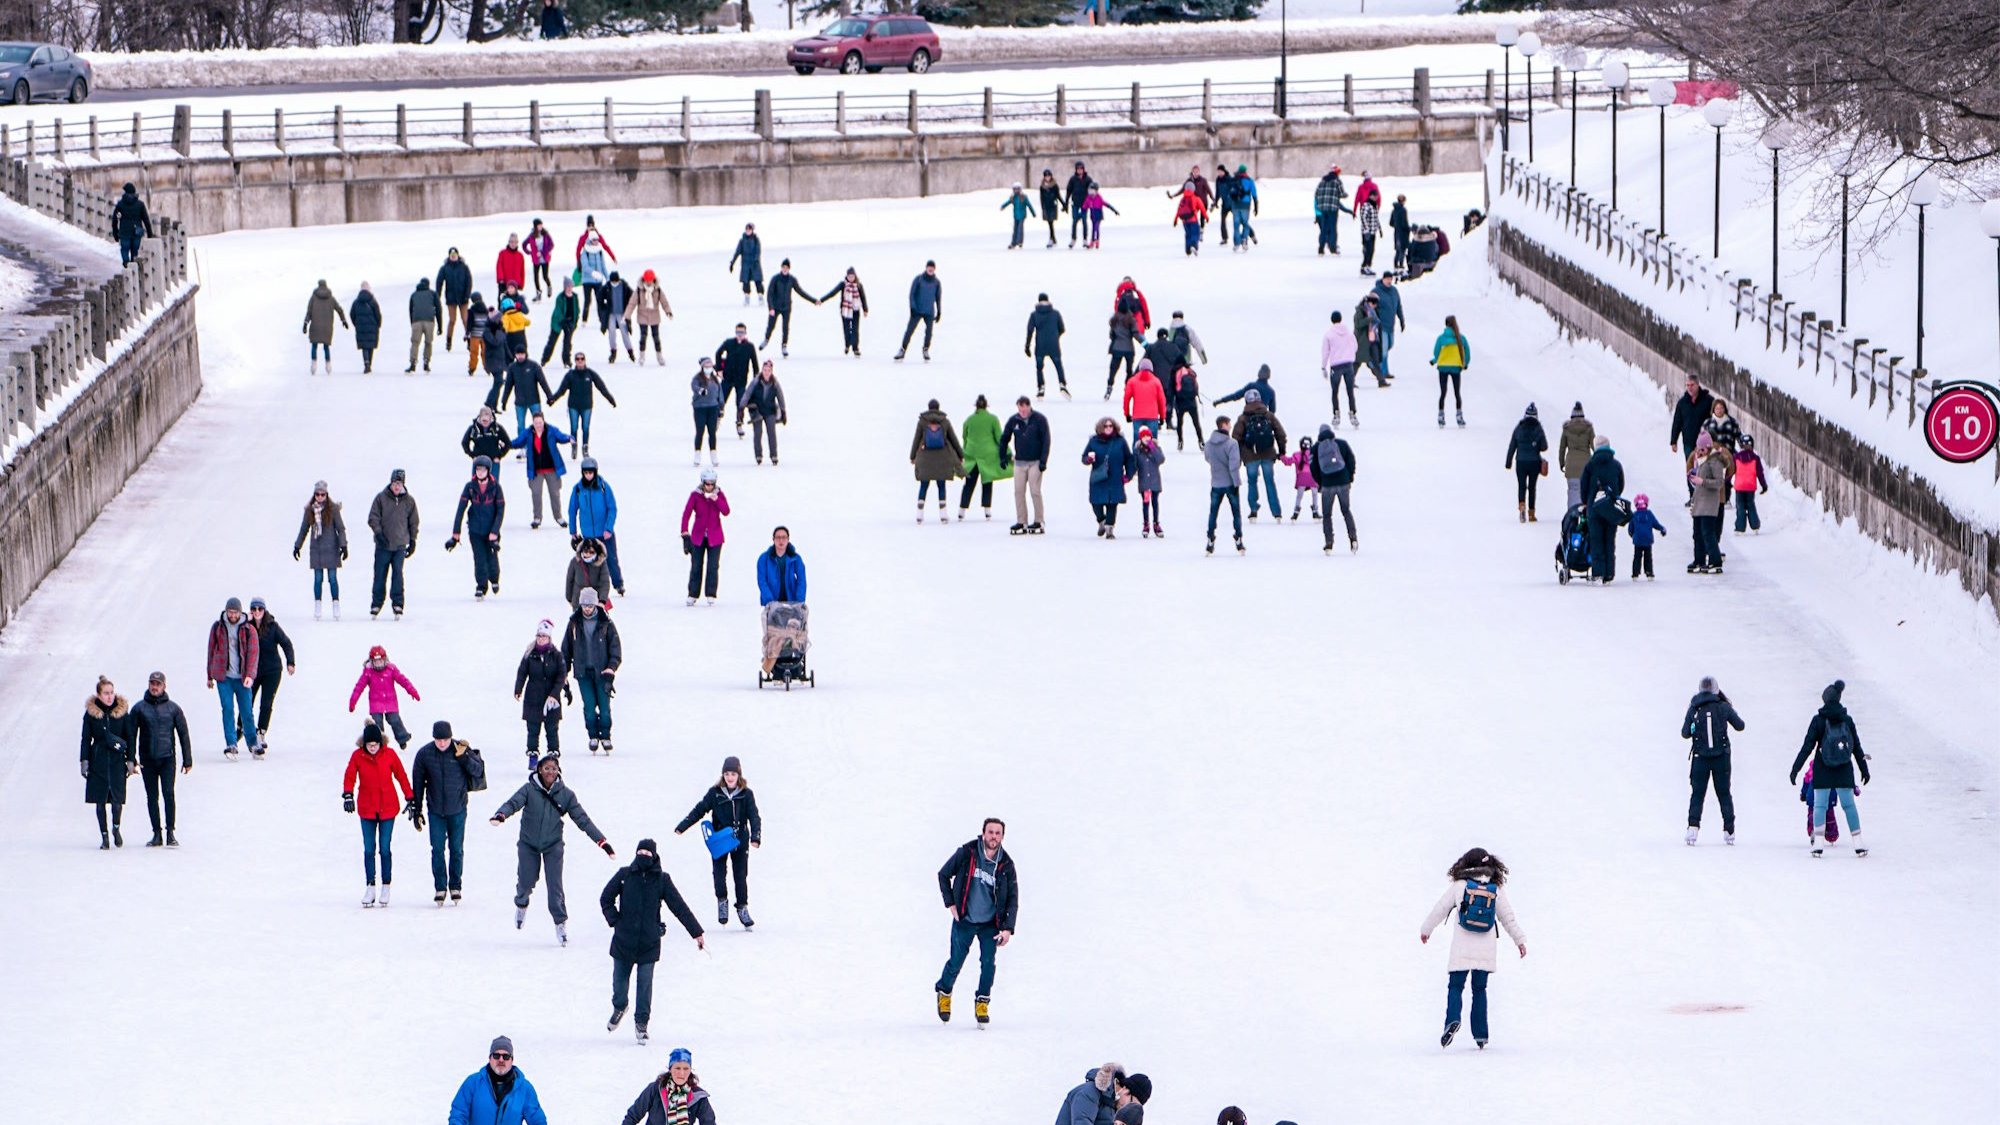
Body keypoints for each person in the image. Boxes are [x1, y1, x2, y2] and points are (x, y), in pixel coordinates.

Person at [492, 755, 614, 943]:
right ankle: (521, 904)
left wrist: (602, 842)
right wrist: (501, 815)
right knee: (526, 881)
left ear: (558, 771)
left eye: (554, 769)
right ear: (539, 769)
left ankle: (560, 923)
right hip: (528, 844)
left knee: (555, 886)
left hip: (553, 845)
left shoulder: (566, 795)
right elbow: (513, 803)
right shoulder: (529, 789)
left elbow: (582, 819)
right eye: (547, 768)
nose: (550, 772)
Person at [1418, 847, 1527, 1050]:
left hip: (1461, 948)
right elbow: (1508, 918)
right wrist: (1520, 940)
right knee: (1479, 990)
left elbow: (1439, 909)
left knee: (1455, 987)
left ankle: (1452, 1019)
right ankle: (1481, 1036)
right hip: (1485, 950)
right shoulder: (1495, 888)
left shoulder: (1459, 885)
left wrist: (1426, 930)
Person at [600, 839, 704, 1044]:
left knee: (645, 985)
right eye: (640, 852)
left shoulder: (662, 880)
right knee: (619, 985)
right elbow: (606, 898)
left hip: (649, 943)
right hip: (623, 941)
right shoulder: (624, 875)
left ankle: (641, 1023)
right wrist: (615, 921)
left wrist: (696, 932)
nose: (644, 856)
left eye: (648, 853)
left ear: (655, 856)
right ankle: (620, 1007)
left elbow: (679, 907)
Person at [934, 818, 1017, 1026]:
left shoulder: (1006, 864)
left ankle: (982, 1002)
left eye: (998, 833)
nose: (994, 837)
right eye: (990, 832)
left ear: (1002, 837)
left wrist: (1007, 928)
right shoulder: (967, 853)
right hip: (965, 920)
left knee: (988, 965)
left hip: (990, 924)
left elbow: (1012, 899)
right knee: (956, 961)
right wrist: (950, 903)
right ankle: (944, 991)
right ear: (983, 833)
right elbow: (943, 874)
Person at [674, 755, 763, 927]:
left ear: (739, 776)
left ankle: (742, 907)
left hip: (739, 839)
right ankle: (722, 901)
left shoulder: (746, 794)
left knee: (740, 875)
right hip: (720, 840)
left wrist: (755, 836)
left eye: (733, 774)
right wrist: (683, 826)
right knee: (719, 874)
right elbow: (700, 810)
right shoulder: (715, 793)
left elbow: (754, 816)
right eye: (727, 774)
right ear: (723, 775)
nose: (730, 777)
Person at [1791, 680, 1870, 857]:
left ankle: (1818, 844)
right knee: (1849, 805)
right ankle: (1858, 843)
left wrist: (1795, 769)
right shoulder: (1847, 720)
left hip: (1823, 768)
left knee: (1820, 805)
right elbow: (1856, 746)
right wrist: (1864, 769)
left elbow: (1807, 746)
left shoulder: (1818, 720)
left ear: (1825, 700)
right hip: (1844, 768)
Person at [410, 720, 483, 906]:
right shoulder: (424, 754)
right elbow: (418, 783)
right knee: (437, 850)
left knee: (457, 849)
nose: (442, 743)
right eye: (438, 739)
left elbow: (478, 771)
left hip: (458, 809)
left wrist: (464, 757)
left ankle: (455, 886)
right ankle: (440, 887)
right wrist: (417, 810)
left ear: (451, 737)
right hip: (435, 810)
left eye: (445, 739)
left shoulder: (460, 749)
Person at [343, 722, 414, 907]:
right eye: (369, 745)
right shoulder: (358, 756)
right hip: (367, 809)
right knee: (368, 849)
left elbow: (401, 775)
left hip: (388, 808)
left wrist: (410, 797)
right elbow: (350, 775)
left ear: (381, 743)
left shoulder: (389, 754)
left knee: (384, 848)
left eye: (375, 744)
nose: (373, 748)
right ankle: (370, 886)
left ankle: (386, 885)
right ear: (364, 744)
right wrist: (348, 794)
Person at [130, 671, 191, 848]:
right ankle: (156, 833)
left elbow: (183, 734)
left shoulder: (173, 708)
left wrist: (188, 760)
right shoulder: (139, 708)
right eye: (152, 683)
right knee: (152, 797)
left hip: (167, 758)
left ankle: (170, 832)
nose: (154, 687)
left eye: (158, 684)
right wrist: (131, 758)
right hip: (147, 760)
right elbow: (131, 734)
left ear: (164, 686)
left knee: (168, 794)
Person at [1681, 676, 1744, 846]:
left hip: (1700, 758)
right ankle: (1729, 830)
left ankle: (1692, 828)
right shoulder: (1723, 707)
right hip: (1721, 758)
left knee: (1697, 793)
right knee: (1724, 793)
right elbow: (1740, 725)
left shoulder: (1694, 708)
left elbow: (1685, 733)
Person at [80, 675, 137, 850]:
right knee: (100, 800)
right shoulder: (91, 715)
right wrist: (84, 760)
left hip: (116, 760)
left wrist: (130, 759)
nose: (109, 696)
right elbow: (85, 739)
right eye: (106, 693)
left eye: (111, 693)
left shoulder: (121, 713)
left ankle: (116, 827)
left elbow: (130, 737)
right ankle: (104, 835)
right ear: (98, 695)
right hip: (99, 759)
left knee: (117, 800)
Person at [563, 588, 621, 755]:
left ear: (595, 604)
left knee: (604, 707)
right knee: (589, 707)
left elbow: (615, 648)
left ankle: (606, 735)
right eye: (584, 605)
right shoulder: (574, 623)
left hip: (603, 673)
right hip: (583, 673)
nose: (587, 608)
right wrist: (564, 672)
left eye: (590, 605)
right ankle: (593, 735)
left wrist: (611, 667)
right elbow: (566, 650)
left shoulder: (606, 623)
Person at [448, 1036, 547, 1125]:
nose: (501, 1060)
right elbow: (458, 1114)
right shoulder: (473, 1083)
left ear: (512, 1060)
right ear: (490, 1058)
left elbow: (538, 1120)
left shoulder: (525, 1089)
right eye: (496, 1055)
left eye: (506, 1056)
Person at [205, 597, 259, 759]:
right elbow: (211, 651)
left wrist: (250, 674)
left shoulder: (249, 629)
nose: (233, 615)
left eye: (235, 612)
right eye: (230, 612)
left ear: (240, 612)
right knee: (227, 709)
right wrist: (209, 676)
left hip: (242, 678)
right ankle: (231, 743)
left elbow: (253, 655)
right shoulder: (218, 627)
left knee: (246, 712)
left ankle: (253, 743)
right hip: (224, 677)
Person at [449, 455, 506, 600]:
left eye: (483, 469)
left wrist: (494, 531)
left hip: (491, 530)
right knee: (479, 558)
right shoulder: (470, 487)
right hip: (475, 530)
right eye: (478, 469)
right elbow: (460, 509)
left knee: (491, 557)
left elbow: (500, 510)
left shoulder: (495, 488)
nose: (480, 472)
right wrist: (456, 533)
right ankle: (481, 586)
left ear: (488, 471)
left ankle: (494, 579)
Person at [515, 620, 570, 766]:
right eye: (539, 635)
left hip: (552, 698)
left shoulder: (556, 655)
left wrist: (555, 693)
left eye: (544, 636)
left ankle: (553, 756)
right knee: (533, 728)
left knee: (552, 728)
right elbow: (522, 672)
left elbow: (561, 675)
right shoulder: (530, 654)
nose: (540, 638)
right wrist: (518, 689)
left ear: (549, 638)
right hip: (533, 697)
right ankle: (533, 756)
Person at [509, 406, 572, 532]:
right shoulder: (528, 433)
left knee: (555, 493)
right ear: (533, 422)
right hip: (536, 470)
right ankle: (537, 518)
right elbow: (518, 442)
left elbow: (561, 436)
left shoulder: (551, 430)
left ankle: (558, 517)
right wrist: (507, 444)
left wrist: (569, 438)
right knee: (536, 494)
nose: (538, 425)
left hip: (551, 469)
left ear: (543, 421)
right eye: (536, 423)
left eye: (540, 422)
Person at [566, 456, 622, 594]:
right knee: (588, 562)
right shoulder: (578, 489)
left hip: (604, 533)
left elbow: (612, 508)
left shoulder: (603, 487)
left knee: (611, 560)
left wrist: (608, 528)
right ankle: (591, 587)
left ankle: (618, 583)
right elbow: (572, 509)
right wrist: (573, 530)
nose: (588, 475)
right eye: (586, 473)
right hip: (588, 534)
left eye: (591, 472)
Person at [348, 643, 420, 749]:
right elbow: (359, 687)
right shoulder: (368, 672)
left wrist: (412, 691)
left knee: (395, 720)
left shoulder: (391, 669)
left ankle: (402, 739)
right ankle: (379, 743)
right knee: (377, 724)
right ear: (371, 661)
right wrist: (353, 702)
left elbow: (403, 680)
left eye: (380, 661)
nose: (378, 664)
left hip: (390, 703)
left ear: (385, 659)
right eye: (376, 662)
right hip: (376, 704)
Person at [246, 597, 295, 755]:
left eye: (260, 609)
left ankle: (261, 732)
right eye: (254, 609)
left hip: (272, 671)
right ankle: (243, 729)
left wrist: (290, 662)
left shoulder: (272, 626)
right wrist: (245, 620)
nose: (257, 612)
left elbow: (286, 643)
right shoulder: (246, 627)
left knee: (266, 703)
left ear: (264, 610)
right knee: (247, 701)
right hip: (252, 671)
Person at [294, 480, 348, 619]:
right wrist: (297, 545)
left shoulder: (334, 509)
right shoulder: (310, 510)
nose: (320, 497)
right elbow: (304, 529)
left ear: (326, 494)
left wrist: (343, 545)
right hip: (317, 550)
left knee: (332, 578)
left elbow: (340, 528)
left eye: (322, 494)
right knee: (318, 579)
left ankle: (336, 605)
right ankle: (317, 605)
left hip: (331, 548)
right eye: (317, 494)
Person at [1231, 389, 1287, 522]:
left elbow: (1235, 438)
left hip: (1250, 456)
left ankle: (1253, 510)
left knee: (1252, 482)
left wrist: (1238, 456)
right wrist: (1282, 451)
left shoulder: (1243, 418)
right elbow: (1281, 434)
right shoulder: (1268, 415)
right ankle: (1276, 512)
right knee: (1270, 482)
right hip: (1268, 453)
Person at [620, 1048, 713, 1125]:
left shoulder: (697, 1096)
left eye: (686, 1068)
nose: (682, 1073)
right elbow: (633, 1116)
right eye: (677, 1068)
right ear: (670, 1069)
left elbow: (709, 1122)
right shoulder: (655, 1089)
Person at [549, 352, 617, 456]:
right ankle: (574, 446)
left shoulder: (590, 374)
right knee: (574, 428)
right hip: (573, 406)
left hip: (587, 406)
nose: (580, 361)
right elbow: (562, 390)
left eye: (582, 359)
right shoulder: (570, 375)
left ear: (585, 360)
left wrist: (610, 399)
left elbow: (601, 387)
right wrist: (553, 399)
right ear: (575, 361)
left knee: (585, 428)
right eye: (577, 359)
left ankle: (585, 447)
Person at [1001, 396, 1051, 534]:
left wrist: (1043, 461)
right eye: (1020, 408)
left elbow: (1046, 440)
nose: (1022, 411)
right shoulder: (1014, 420)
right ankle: (1022, 521)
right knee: (1018, 492)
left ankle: (1038, 520)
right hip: (1019, 462)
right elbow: (1004, 438)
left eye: (1025, 408)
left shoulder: (1039, 419)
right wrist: (1002, 456)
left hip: (1035, 462)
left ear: (1029, 407)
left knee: (1035, 491)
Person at [1579, 435, 1626, 583]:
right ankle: (1609, 574)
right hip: (1611, 509)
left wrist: (1586, 501)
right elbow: (1621, 484)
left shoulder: (1590, 465)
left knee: (1596, 540)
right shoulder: (1616, 465)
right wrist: (1614, 496)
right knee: (1609, 541)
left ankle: (1598, 573)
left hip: (1594, 509)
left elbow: (1583, 485)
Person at [681, 467, 730, 605]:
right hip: (698, 536)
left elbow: (726, 511)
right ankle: (693, 593)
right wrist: (685, 533)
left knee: (713, 566)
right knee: (696, 565)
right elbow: (687, 513)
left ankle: (711, 593)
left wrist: (716, 500)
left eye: (712, 484)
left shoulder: (719, 494)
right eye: (707, 484)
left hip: (715, 537)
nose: (709, 487)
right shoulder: (695, 495)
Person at [911, 399, 964, 524]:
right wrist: (960, 455)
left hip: (925, 458)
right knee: (941, 484)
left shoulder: (922, 422)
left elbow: (916, 439)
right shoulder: (944, 422)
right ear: (938, 408)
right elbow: (953, 439)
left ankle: (919, 514)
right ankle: (943, 514)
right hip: (942, 457)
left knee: (924, 485)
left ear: (928, 408)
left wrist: (913, 456)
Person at [958, 394, 1011, 522]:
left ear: (976, 406)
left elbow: (964, 437)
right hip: (988, 455)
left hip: (972, 455)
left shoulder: (969, 420)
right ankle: (987, 510)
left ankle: (962, 510)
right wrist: (1008, 453)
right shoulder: (993, 419)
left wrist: (964, 452)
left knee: (969, 483)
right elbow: (999, 438)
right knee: (987, 481)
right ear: (986, 405)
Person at [1081, 417, 1134, 538]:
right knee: (1096, 503)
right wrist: (1089, 459)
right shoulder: (1093, 441)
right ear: (1101, 428)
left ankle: (1109, 529)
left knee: (1112, 503)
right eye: (1106, 426)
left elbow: (1129, 459)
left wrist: (1128, 475)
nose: (1109, 428)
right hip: (1098, 478)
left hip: (1115, 477)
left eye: (1111, 426)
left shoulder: (1120, 441)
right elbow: (1084, 457)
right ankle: (1101, 520)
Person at [1310, 424, 1359, 553]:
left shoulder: (1315, 448)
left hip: (1327, 485)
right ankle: (1353, 539)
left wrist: (1320, 483)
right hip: (1343, 483)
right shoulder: (1342, 444)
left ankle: (1329, 543)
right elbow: (1351, 461)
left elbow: (1313, 469)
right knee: (1346, 511)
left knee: (1327, 515)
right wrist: (1349, 477)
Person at [1688, 437, 1730, 574]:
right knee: (1697, 534)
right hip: (1700, 504)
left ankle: (1715, 561)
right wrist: (1693, 500)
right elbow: (1699, 487)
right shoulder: (1702, 461)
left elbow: (1719, 483)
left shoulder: (1714, 461)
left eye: (1702, 449)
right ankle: (1699, 560)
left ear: (1708, 448)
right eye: (1698, 449)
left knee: (1708, 533)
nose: (1699, 452)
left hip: (1709, 504)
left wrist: (1702, 481)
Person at [1205, 415, 1245, 555]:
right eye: (1229, 424)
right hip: (1230, 483)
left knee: (1213, 513)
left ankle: (1210, 538)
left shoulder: (1209, 443)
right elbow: (1234, 465)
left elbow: (1208, 458)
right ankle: (1238, 538)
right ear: (1223, 425)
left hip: (1216, 483)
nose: (1230, 426)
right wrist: (1236, 482)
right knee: (1236, 513)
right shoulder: (1231, 444)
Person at [760, 259, 815, 356]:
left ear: (789, 269)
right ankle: (766, 339)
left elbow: (800, 292)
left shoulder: (792, 279)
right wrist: (771, 308)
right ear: (781, 268)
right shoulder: (775, 279)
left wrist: (813, 300)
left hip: (786, 307)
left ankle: (784, 346)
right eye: (783, 267)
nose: (785, 269)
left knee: (785, 327)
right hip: (775, 307)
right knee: (771, 325)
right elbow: (770, 294)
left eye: (787, 268)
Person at [714, 323, 759, 438]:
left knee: (740, 403)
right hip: (728, 378)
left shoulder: (749, 346)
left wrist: (756, 380)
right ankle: (716, 420)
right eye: (738, 332)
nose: (740, 335)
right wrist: (719, 369)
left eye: (742, 333)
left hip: (741, 380)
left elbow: (755, 364)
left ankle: (739, 423)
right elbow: (718, 353)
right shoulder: (729, 343)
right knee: (720, 399)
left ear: (745, 333)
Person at [1504, 403, 1547, 523]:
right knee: (1532, 487)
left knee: (1522, 486)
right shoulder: (1538, 428)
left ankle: (1522, 506)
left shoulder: (1519, 428)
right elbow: (1544, 447)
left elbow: (1512, 446)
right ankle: (1531, 514)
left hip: (1521, 462)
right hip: (1534, 462)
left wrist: (1508, 462)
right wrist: (1536, 445)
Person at [896, 260, 944, 362]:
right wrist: (912, 307)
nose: (930, 269)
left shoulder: (937, 283)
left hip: (929, 312)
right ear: (926, 268)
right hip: (917, 310)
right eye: (929, 267)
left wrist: (939, 311)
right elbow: (912, 294)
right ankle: (902, 350)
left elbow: (938, 297)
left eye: (932, 267)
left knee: (929, 333)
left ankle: (926, 349)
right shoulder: (918, 279)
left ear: (934, 269)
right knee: (909, 331)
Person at [744, 360, 787, 466]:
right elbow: (747, 394)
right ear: (762, 370)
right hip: (757, 410)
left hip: (770, 410)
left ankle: (774, 455)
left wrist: (783, 411)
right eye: (765, 370)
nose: (766, 372)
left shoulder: (775, 383)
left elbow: (780, 397)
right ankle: (758, 455)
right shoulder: (756, 381)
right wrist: (741, 408)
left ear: (771, 371)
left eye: (769, 370)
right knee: (757, 433)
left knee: (772, 433)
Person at [1025, 293, 1067, 398]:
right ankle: (1062, 385)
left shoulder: (1034, 314)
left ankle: (1041, 387)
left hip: (1040, 344)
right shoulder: (1056, 313)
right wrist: (1055, 336)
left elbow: (1030, 330)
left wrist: (1027, 346)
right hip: (1053, 344)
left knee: (1039, 367)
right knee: (1058, 365)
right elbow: (1062, 328)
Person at [1430, 314, 1470, 428]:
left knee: (1443, 393)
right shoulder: (1461, 338)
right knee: (1457, 393)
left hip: (1443, 367)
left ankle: (1441, 416)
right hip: (1456, 368)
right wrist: (1465, 363)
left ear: (1445, 324)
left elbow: (1436, 352)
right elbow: (1467, 353)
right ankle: (1459, 416)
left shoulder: (1441, 338)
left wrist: (1435, 360)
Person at [303, 279, 349, 376]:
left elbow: (309, 311)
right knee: (326, 346)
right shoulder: (331, 298)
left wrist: (305, 323)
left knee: (314, 346)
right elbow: (339, 309)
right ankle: (328, 366)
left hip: (315, 325)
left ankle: (313, 366)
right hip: (327, 327)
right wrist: (343, 320)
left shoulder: (314, 297)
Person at [1321, 311, 1359, 428]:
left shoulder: (1328, 334)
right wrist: (1349, 354)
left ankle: (1336, 414)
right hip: (1348, 364)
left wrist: (1323, 367)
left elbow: (1325, 352)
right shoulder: (1348, 333)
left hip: (1336, 365)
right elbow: (1355, 346)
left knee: (1335, 391)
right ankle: (1353, 413)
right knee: (1350, 392)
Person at [820, 266, 869, 356]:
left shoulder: (858, 285)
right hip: (845, 310)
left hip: (855, 309)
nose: (851, 278)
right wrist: (822, 300)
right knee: (847, 329)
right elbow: (832, 293)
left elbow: (863, 297)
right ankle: (847, 345)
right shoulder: (843, 284)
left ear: (855, 276)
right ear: (846, 276)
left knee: (855, 329)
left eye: (852, 276)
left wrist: (865, 309)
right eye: (849, 276)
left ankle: (855, 348)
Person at [576, 221, 617, 324]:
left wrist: (607, 278)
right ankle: (584, 320)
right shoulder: (585, 252)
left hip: (598, 281)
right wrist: (593, 273)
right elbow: (585, 266)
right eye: (594, 240)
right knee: (587, 301)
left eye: (597, 240)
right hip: (587, 280)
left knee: (600, 300)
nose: (595, 241)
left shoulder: (599, 251)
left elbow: (603, 266)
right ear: (590, 239)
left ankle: (602, 319)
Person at [1557, 402, 1595, 510]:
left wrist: (1561, 463)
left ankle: (1572, 514)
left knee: (1573, 491)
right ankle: (1584, 513)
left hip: (1571, 465)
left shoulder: (1567, 428)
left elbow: (1562, 448)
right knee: (1585, 490)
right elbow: (1594, 445)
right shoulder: (1588, 428)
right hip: (1586, 464)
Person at [1121, 360, 1167, 448]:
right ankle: (1152, 459)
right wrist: (1162, 417)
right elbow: (1162, 400)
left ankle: (1136, 459)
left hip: (1137, 416)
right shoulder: (1156, 381)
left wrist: (1127, 414)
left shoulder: (1132, 381)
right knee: (1152, 441)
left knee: (1137, 441)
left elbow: (1126, 399)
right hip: (1152, 417)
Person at [1131, 425, 1166, 538]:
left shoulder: (1156, 448)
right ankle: (1146, 523)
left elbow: (1160, 460)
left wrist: (1153, 448)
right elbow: (1134, 465)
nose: (1146, 438)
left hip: (1155, 481)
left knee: (1155, 503)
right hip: (1144, 482)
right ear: (1140, 438)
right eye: (1144, 436)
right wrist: (1129, 475)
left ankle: (1156, 523)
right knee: (1146, 503)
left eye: (1148, 436)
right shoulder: (1137, 451)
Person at [756, 526, 806, 605]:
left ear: (788, 539)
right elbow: (762, 581)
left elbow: (801, 580)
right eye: (778, 537)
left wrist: (799, 601)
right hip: (771, 603)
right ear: (773, 539)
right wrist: (770, 601)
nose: (781, 540)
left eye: (784, 537)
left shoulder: (796, 558)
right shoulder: (764, 558)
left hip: (791, 602)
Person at [1668, 376, 1714, 461]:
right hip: (1688, 442)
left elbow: (1715, 419)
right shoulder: (1682, 403)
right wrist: (1674, 441)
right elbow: (1677, 422)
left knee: (1704, 469)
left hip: (1705, 442)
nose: (1690, 388)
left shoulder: (1708, 400)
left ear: (1697, 385)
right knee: (1690, 469)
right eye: (1687, 385)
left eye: (1692, 385)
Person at [690, 357, 725, 467]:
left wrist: (721, 406)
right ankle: (697, 453)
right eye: (706, 366)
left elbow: (720, 393)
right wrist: (700, 391)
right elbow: (694, 386)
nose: (708, 368)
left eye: (710, 366)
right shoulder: (697, 378)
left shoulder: (715, 379)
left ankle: (713, 454)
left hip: (713, 408)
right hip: (700, 408)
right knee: (700, 431)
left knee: (712, 432)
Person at [435, 248, 474, 347]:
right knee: (452, 320)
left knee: (465, 320)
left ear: (458, 255)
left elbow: (469, 282)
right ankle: (449, 341)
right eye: (451, 255)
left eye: (455, 254)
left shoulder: (464, 267)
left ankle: (470, 341)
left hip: (463, 299)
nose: (453, 256)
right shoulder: (445, 268)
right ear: (449, 256)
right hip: (451, 299)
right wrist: (437, 296)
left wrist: (467, 295)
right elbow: (439, 282)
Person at [1370, 274, 1406, 378]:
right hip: (1381, 325)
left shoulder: (1394, 291)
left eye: (1391, 279)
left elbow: (1398, 306)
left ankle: (1373, 362)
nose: (1389, 281)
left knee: (1390, 344)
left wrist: (1401, 320)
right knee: (1384, 349)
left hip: (1391, 324)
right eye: (1387, 279)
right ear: (1383, 279)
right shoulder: (1376, 291)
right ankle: (1383, 372)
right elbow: (1369, 307)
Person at [633, 269, 672, 365]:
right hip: (642, 316)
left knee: (656, 338)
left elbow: (664, 302)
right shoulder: (639, 290)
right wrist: (627, 316)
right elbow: (632, 303)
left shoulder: (657, 290)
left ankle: (659, 357)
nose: (648, 282)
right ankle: (641, 357)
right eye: (647, 280)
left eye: (650, 280)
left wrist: (668, 312)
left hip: (654, 317)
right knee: (643, 337)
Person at [539, 277, 580, 366]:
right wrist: (562, 320)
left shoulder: (575, 297)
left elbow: (577, 310)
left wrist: (575, 322)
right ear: (564, 287)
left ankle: (566, 360)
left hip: (570, 322)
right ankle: (544, 359)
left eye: (571, 286)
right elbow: (558, 311)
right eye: (568, 286)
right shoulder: (560, 297)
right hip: (558, 322)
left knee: (567, 342)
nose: (569, 288)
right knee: (552, 341)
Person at [594, 270, 633, 362]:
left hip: (621, 314)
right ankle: (613, 352)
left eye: (616, 281)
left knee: (625, 332)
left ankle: (630, 351)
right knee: (611, 333)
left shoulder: (624, 286)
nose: (614, 283)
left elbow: (632, 296)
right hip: (611, 313)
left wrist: (628, 307)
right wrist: (604, 307)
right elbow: (599, 297)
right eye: (613, 282)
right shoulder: (607, 287)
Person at [1733, 434, 1769, 533]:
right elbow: (1760, 473)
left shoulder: (1736, 457)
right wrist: (1764, 485)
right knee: (1750, 505)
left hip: (1739, 486)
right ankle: (1755, 525)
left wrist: (1726, 482)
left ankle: (1740, 528)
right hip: (1750, 486)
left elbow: (1731, 471)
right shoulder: (1755, 458)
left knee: (1740, 506)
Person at [1628, 493, 1667, 579]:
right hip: (1648, 539)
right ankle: (1649, 572)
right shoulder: (1649, 514)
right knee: (1648, 557)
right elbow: (1656, 524)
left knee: (1637, 557)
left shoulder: (1634, 515)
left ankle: (1635, 573)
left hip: (1638, 540)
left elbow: (1630, 528)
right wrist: (1662, 529)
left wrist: (1632, 535)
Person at [1212, 363, 1277, 415]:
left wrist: (1220, 401)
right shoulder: (1271, 391)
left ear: (1259, 374)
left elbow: (1235, 396)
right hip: (1263, 421)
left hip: (1248, 417)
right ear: (1269, 376)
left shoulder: (1251, 385)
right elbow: (1272, 411)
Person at [1313, 162, 1349, 255]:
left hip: (1323, 209)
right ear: (1337, 173)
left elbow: (1316, 194)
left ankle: (1321, 248)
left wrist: (1321, 204)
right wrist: (1345, 195)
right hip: (1333, 208)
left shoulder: (1322, 181)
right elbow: (1342, 194)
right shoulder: (1337, 181)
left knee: (1324, 228)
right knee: (1333, 228)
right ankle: (1333, 248)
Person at [566, 536, 611, 610]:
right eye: (585, 551)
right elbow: (569, 580)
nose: (588, 554)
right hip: (578, 601)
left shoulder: (601, 563)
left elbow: (605, 582)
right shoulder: (575, 561)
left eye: (591, 552)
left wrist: (602, 601)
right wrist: (569, 598)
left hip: (596, 602)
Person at [112, 182, 153, 264]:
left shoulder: (120, 205)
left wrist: (115, 233)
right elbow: (146, 219)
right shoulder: (140, 204)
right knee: (135, 252)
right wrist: (149, 233)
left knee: (124, 249)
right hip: (137, 232)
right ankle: (134, 269)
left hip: (124, 232)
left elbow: (115, 219)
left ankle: (126, 264)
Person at [406, 277, 440, 373]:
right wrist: (440, 326)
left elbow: (410, 310)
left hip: (416, 321)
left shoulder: (414, 294)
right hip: (429, 321)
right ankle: (426, 363)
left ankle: (413, 364)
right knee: (428, 342)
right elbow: (438, 309)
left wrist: (412, 323)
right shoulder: (433, 294)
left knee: (415, 342)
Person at [1224, 163, 1258, 250]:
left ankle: (1236, 243)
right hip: (1245, 205)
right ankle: (1244, 240)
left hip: (1235, 204)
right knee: (1245, 224)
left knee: (1236, 224)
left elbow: (1229, 192)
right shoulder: (1249, 180)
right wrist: (1256, 206)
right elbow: (1254, 194)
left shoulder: (1234, 179)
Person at [350, 281, 382, 373]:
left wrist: (356, 324)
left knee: (364, 346)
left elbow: (352, 314)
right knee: (370, 345)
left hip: (361, 327)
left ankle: (366, 363)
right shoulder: (373, 301)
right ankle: (369, 364)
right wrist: (378, 324)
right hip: (372, 326)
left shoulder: (356, 302)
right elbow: (378, 314)